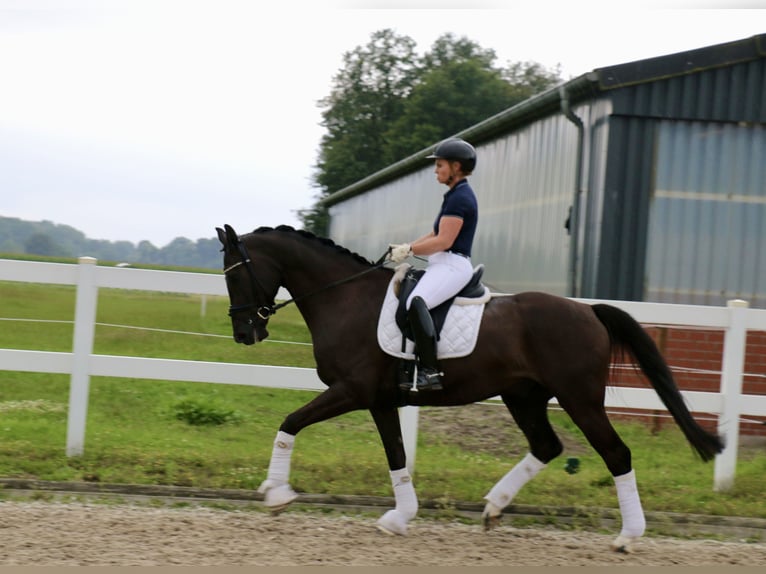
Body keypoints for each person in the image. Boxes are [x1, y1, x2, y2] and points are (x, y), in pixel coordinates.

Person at [388, 137, 479, 391]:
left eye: (440, 165)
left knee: (417, 302)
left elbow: (444, 240)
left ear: (456, 167)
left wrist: (411, 249)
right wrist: (405, 248)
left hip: (452, 265)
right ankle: (407, 364)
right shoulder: (454, 195)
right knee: (407, 295)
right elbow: (434, 233)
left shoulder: (460, 198)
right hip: (442, 264)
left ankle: (430, 371)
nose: (436, 170)